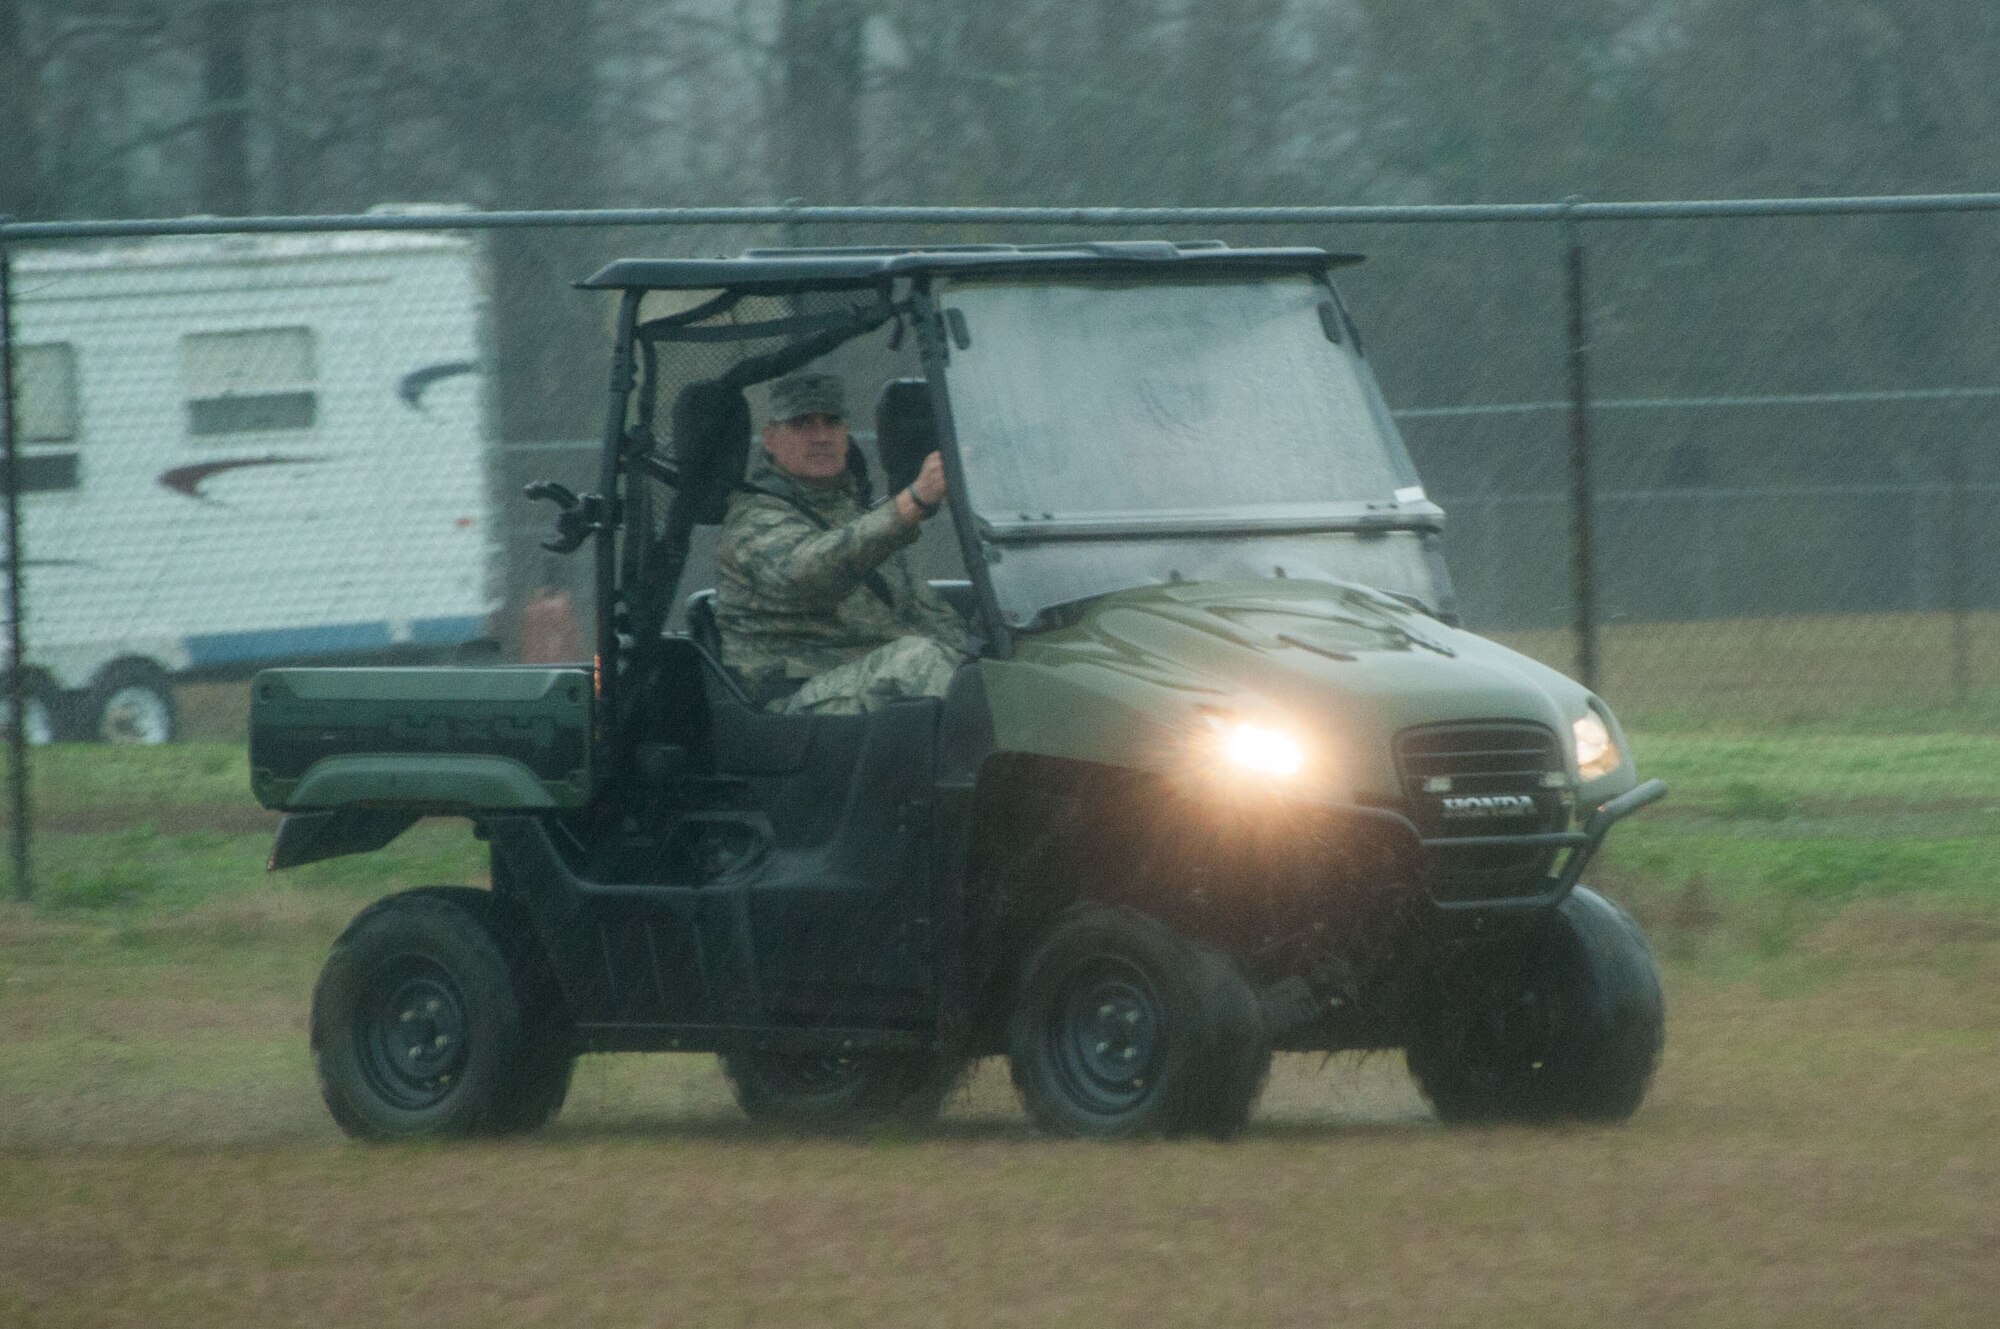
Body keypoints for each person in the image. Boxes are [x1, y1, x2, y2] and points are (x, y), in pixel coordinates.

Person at [714, 373, 969, 714]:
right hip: (796, 700)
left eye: (831, 423)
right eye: (802, 424)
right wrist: (913, 502)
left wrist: (982, 656)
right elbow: (808, 572)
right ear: (771, 440)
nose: (821, 437)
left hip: (871, 684)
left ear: (846, 434)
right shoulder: (753, 519)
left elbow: (923, 611)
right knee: (920, 661)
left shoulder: (855, 513)